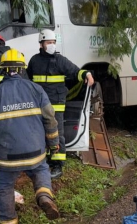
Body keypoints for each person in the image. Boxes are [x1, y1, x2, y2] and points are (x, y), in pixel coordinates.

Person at [0, 49, 60, 223]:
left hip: (6, 157)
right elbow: (51, 120)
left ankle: (9, 219)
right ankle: (44, 196)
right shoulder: (37, 89)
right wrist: (54, 143)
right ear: (22, 69)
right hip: (35, 151)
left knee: (4, 186)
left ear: (3, 70)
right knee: (41, 169)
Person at [27, 29, 94, 179]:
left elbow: (76, 71)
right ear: (41, 44)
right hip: (38, 104)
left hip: (56, 104)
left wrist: (87, 74)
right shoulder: (34, 61)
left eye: (53, 42)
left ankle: (57, 165)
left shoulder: (60, 60)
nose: (51, 45)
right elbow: (27, 80)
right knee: (38, 132)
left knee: (57, 134)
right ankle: (41, 160)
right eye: (49, 42)